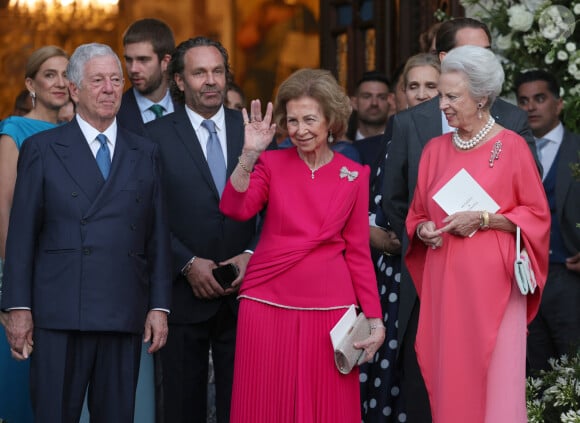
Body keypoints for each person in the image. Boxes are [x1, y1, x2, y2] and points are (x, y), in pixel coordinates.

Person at [0, 43, 172, 422]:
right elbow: (22, 235)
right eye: (98, 80)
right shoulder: (40, 149)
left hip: (122, 309)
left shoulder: (144, 151)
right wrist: (17, 307)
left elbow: (157, 236)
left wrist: (159, 306)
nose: (110, 89)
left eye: (115, 80)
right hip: (58, 312)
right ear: (75, 90)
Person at [381, 17, 541, 423]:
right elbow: (414, 213)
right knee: (446, 382)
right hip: (444, 288)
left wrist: (486, 218)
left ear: (481, 97)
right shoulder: (434, 150)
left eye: (451, 96)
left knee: (495, 385)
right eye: (441, 95)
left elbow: (536, 215)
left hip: (496, 289)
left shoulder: (513, 146)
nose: (441, 104)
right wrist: (423, 229)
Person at [218, 68, 384, 422]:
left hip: (329, 309)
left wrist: (374, 318)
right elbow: (235, 207)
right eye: (292, 120)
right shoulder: (270, 163)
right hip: (266, 301)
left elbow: (357, 252)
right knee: (264, 405)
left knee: (327, 408)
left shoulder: (354, 175)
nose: (300, 129)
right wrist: (248, 154)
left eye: (309, 119)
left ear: (330, 120)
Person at [145, 36, 260, 423]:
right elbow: (148, 214)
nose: (211, 81)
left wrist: (250, 255)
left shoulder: (253, 131)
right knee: (180, 405)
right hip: (181, 294)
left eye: (217, 71)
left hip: (245, 294)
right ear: (179, 80)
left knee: (243, 406)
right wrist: (188, 262)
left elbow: (277, 207)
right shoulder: (151, 138)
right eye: (199, 73)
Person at [0, 44, 69, 423]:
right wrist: (10, 283)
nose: (60, 83)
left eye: (65, 74)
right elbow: (4, 206)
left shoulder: (75, 132)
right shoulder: (15, 131)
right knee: (22, 375)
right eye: (49, 75)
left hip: (59, 274)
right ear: (31, 84)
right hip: (24, 275)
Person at [515, 70, 580, 372]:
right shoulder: (511, 152)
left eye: (539, 98)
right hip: (523, 278)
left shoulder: (577, 148)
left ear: (559, 103)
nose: (531, 107)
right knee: (532, 370)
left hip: (568, 275)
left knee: (573, 366)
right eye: (523, 100)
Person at [118, 18, 176, 136]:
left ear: (166, 62)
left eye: (143, 60)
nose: (133, 69)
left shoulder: (191, 106)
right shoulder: (115, 113)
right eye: (128, 60)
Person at [348, 71, 391, 140]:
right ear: (354, 103)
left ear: (390, 102)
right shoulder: (341, 146)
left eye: (382, 97)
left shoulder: (401, 144)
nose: (374, 103)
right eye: (367, 96)